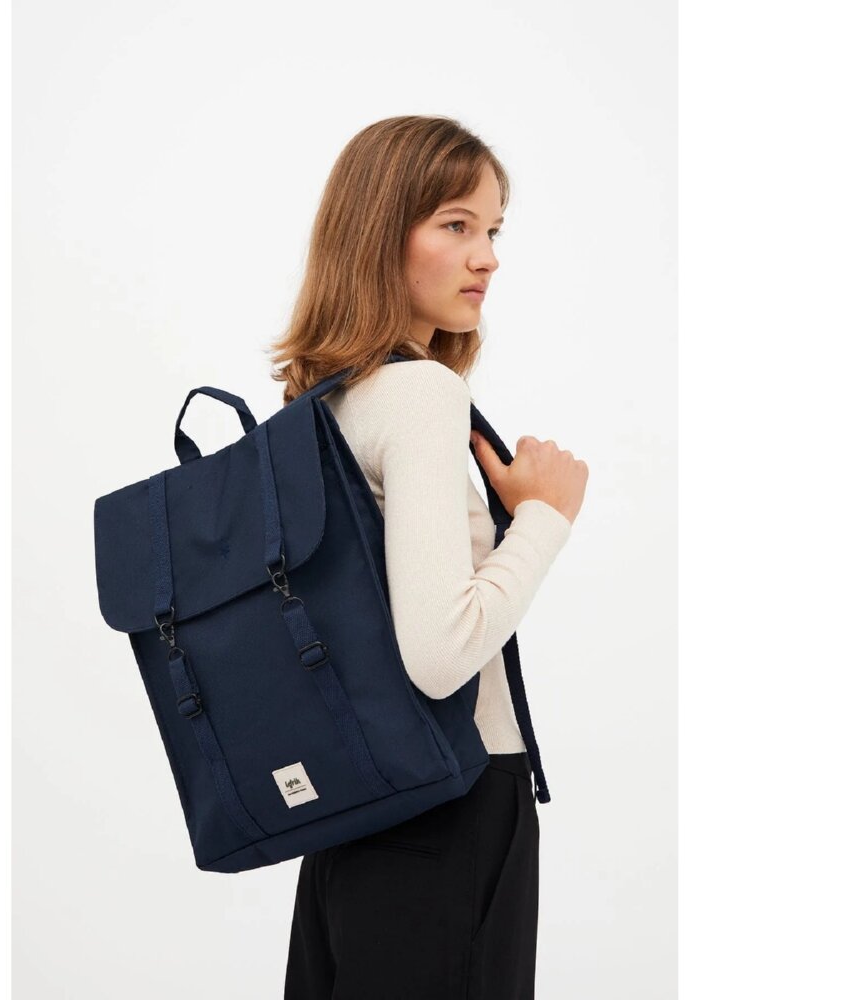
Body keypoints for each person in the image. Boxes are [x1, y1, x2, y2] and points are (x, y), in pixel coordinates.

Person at [269, 115, 588, 1000]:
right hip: (453, 802)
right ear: (380, 234)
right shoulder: (419, 394)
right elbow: (441, 655)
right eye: (456, 224)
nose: (487, 257)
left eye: (493, 230)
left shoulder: (321, 405)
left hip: (357, 808)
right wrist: (544, 519)